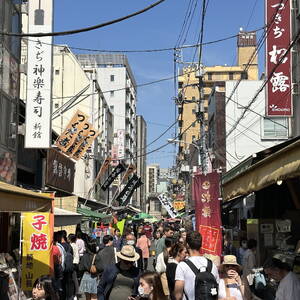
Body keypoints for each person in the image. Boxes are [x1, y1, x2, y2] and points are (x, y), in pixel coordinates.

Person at [174, 231, 220, 300]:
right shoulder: (212, 265)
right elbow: (217, 290)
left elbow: (178, 295)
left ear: (187, 245)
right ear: (201, 245)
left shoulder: (182, 266)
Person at [68, 233, 80, 298]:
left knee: (73, 279)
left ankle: (75, 293)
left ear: (70, 239)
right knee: (75, 279)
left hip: (73, 263)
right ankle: (76, 293)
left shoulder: (71, 246)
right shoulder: (75, 245)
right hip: (76, 263)